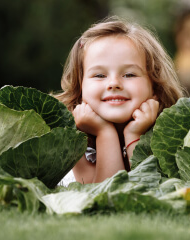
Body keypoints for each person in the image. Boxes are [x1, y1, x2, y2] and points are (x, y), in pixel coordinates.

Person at [55, 16, 183, 184]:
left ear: (155, 87)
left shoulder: (174, 136)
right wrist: (104, 133)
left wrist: (134, 135)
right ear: (80, 88)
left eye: (129, 74)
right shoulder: (70, 139)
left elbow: (151, 191)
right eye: (99, 75)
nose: (114, 83)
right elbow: (106, 196)